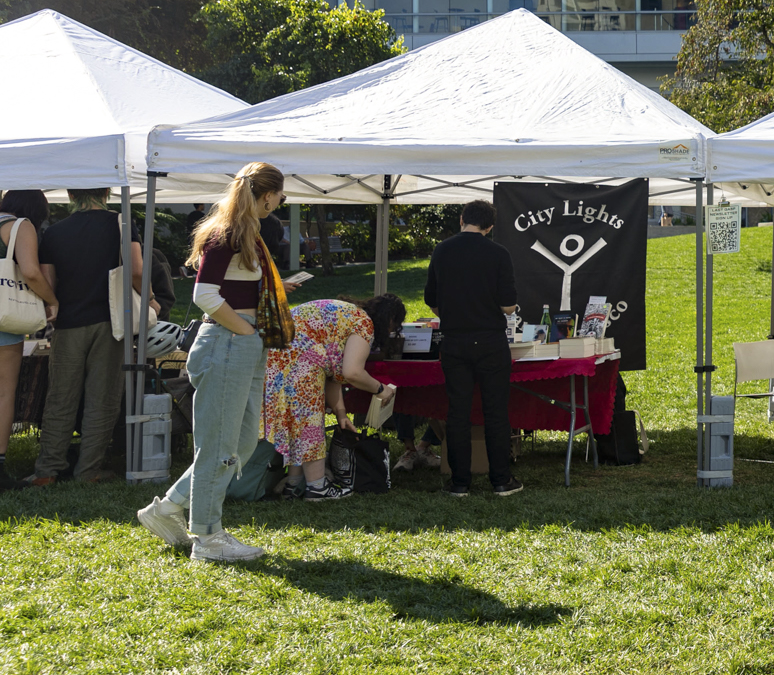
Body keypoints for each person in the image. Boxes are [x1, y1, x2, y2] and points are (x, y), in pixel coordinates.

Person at [135, 162, 290, 564]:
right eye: (281, 196)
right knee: (219, 446)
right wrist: (245, 331)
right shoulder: (227, 234)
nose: (280, 203)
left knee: (238, 443)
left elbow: (230, 288)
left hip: (238, 343)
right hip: (227, 343)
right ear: (267, 194)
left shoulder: (243, 233)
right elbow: (205, 295)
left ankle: (168, 507)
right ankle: (207, 537)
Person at [27, 188, 149, 487]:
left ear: (70, 194)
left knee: (60, 398)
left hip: (68, 323)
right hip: (112, 323)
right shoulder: (121, 222)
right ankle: (88, 471)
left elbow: (48, 282)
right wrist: (150, 299)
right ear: (107, 191)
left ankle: (47, 470)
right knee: (103, 399)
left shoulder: (54, 232)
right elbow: (135, 270)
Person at [425, 199, 523, 497]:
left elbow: (432, 299)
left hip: (454, 341)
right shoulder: (498, 253)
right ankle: (501, 481)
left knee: (458, 412)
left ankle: (459, 483)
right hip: (491, 341)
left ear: (461, 219)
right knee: (495, 412)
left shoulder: (442, 250)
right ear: (490, 226)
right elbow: (508, 306)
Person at [265, 294, 403, 500]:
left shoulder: (346, 316)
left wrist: (341, 414)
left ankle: (293, 485)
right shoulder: (364, 324)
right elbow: (352, 373)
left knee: (298, 425)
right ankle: (317, 487)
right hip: (299, 358)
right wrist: (381, 389)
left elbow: (333, 376)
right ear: (390, 319)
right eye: (395, 326)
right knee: (311, 425)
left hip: (277, 356)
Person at [0, 190, 59, 490]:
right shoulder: (20, 226)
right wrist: (52, 301)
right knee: (3, 393)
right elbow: (32, 272)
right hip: (4, 319)